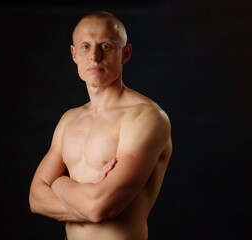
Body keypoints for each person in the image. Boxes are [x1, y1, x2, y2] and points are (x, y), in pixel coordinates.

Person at [29, 11, 172, 240]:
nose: (94, 56)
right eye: (85, 46)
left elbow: (99, 207)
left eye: (105, 46)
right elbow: (36, 198)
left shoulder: (146, 118)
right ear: (74, 54)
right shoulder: (69, 119)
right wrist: (87, 202)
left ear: (125, 53)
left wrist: (58, 182)